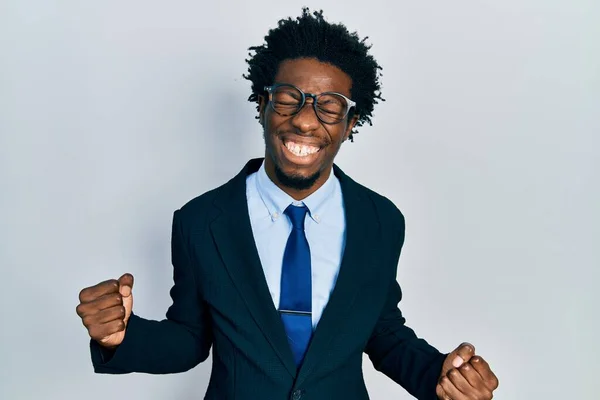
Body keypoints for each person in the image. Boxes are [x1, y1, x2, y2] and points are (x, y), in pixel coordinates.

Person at [76, 8, 498, 400]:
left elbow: (382, 331)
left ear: (351, 124)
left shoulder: (381, 221)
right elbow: (189, 339)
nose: (305, 120)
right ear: (262, 106)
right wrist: (120, 338)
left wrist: (440, 373)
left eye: (329, 107)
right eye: (287, 98)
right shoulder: (201, 222)